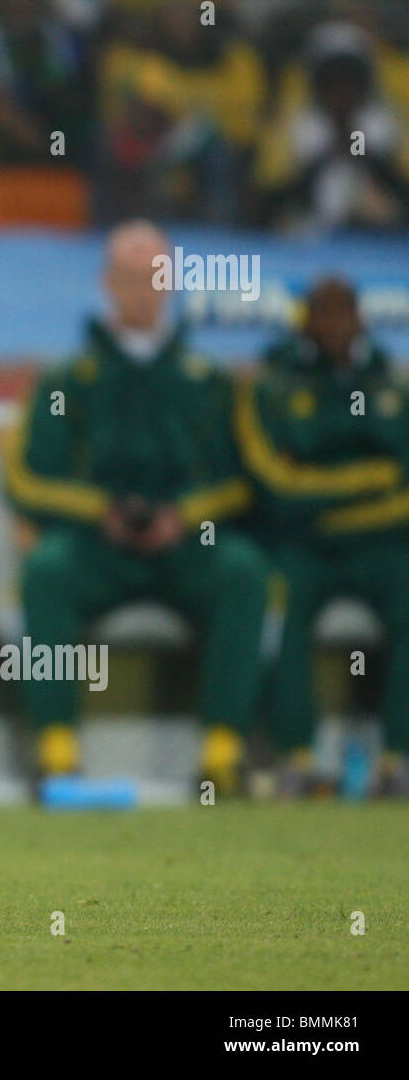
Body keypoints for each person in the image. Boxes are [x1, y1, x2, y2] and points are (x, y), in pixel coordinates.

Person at [3, 221, 270, 796]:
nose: (142, 290)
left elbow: (242, 482)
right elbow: (26, 478)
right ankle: (56, 754)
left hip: (186, 546)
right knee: (45, 572)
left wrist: (186, 516)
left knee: (244, 572)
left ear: (172, 283)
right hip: (97, 547)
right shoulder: (66, 381)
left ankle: (223, 755)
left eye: (154, 276)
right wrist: (101, 511)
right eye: (129, 277)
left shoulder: (210, 382)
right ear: (105, 282)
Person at [236, 276, 409, 797]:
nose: (334, 325)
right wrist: (371, 482)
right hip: (302, 549)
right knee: (278, 603)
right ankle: (296, 756)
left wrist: (326, 502)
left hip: (383, 549)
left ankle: (397, 759)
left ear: (361, 318)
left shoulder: (390, 388)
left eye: (344, 313)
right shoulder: (275, 385)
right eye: (323, 313)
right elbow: (276, 489)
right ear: (304, 320)